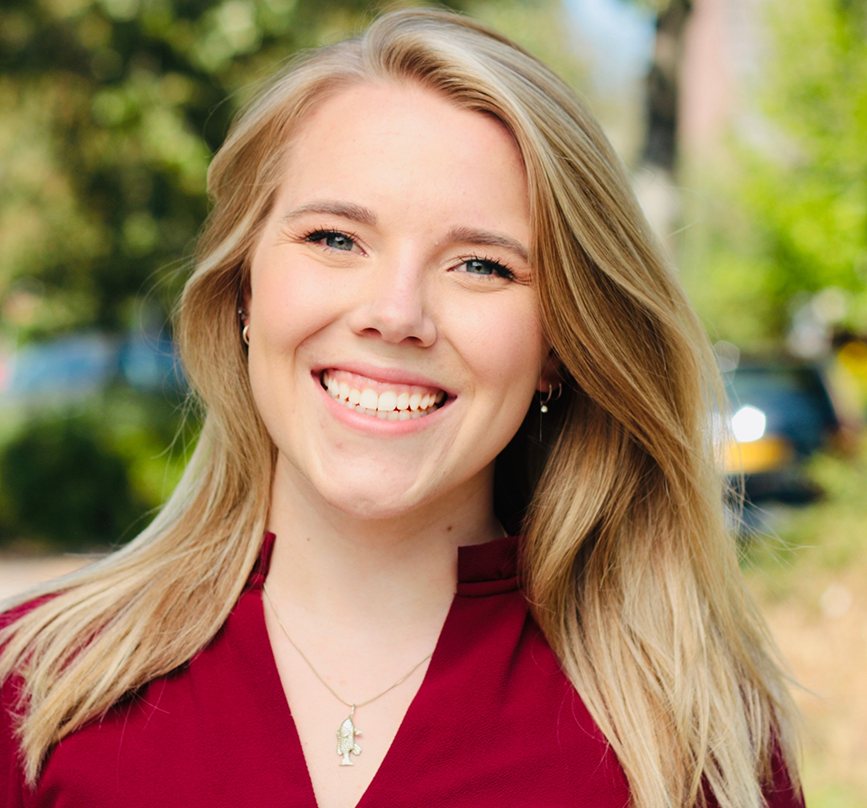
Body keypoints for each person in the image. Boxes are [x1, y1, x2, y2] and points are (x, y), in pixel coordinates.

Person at [0, 9, 803, 808]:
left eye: (481, 265)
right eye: (334, 239)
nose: (394, 313)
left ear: (559, 342)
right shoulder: (36, 693)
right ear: (246, 286)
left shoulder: (695, 739)